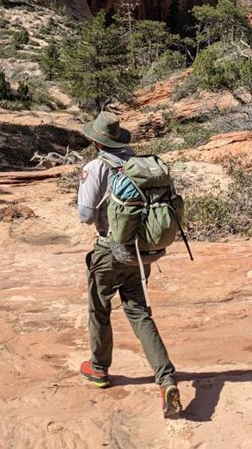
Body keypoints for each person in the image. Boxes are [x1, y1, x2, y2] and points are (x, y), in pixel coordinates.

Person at [77, 111, 182, 419]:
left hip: (107, 252)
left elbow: (85, 216)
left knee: (99, 309)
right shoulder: (141, 166)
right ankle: (166, 380)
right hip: (139, 252)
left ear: (97, 142)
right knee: (139, 313)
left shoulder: (95, 167)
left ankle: (98, 369)